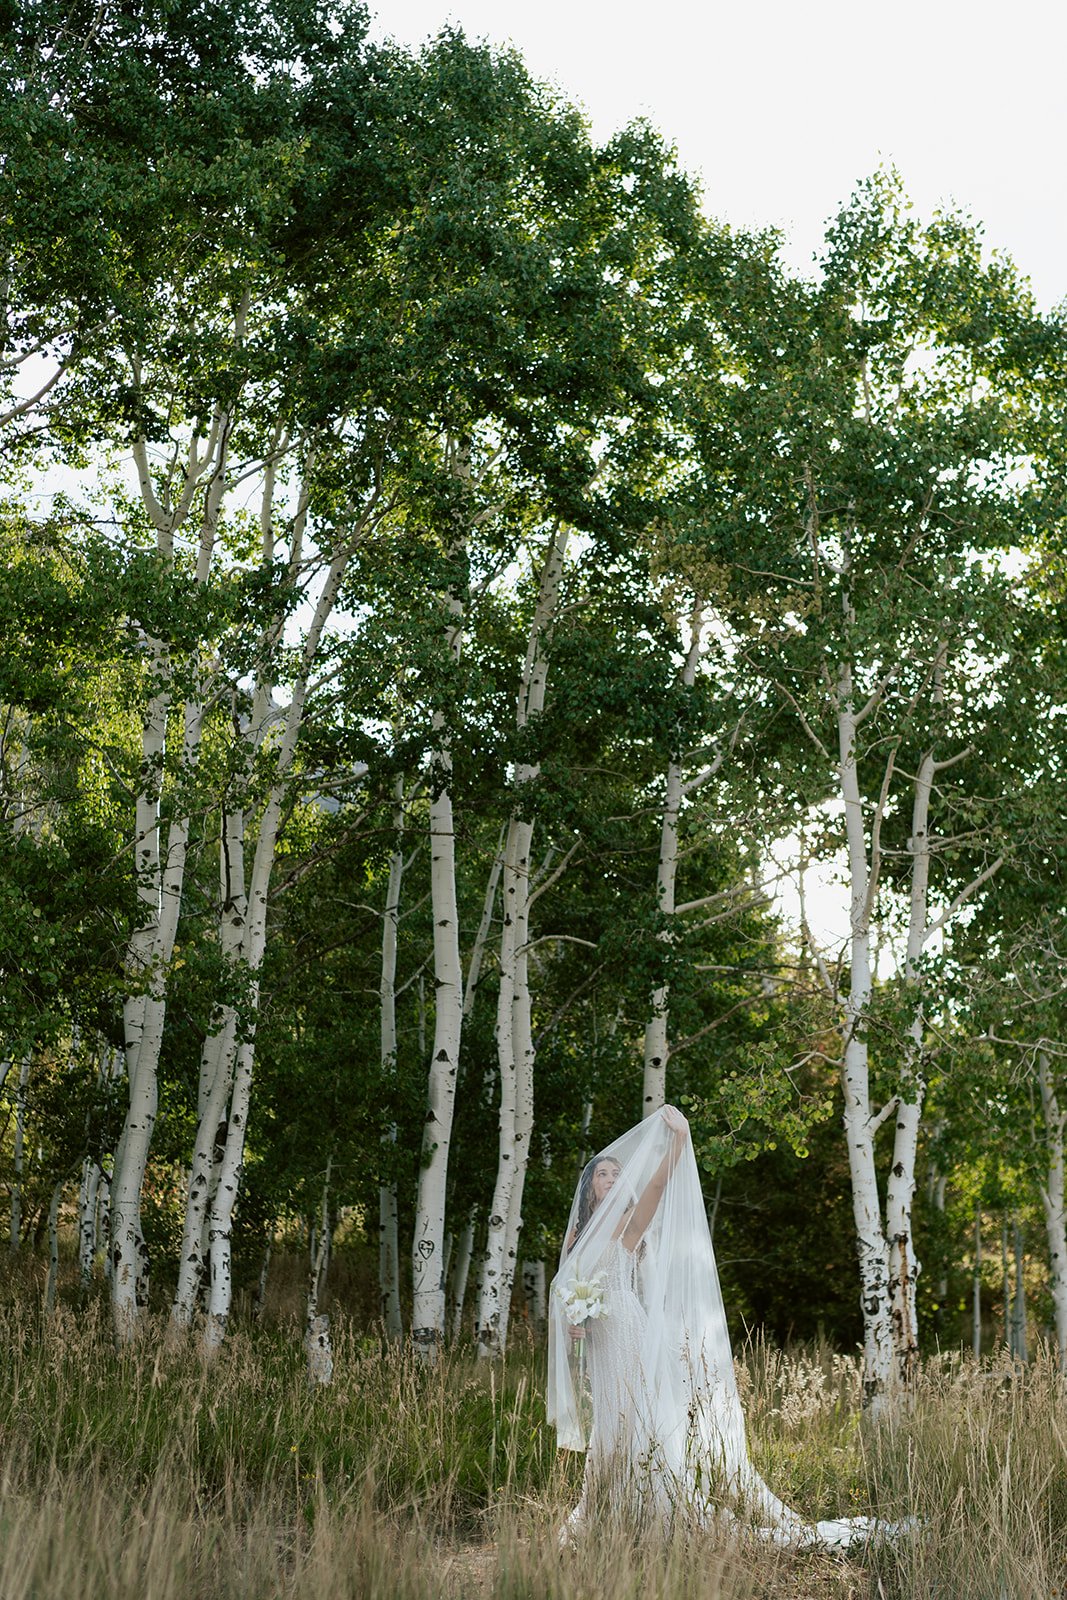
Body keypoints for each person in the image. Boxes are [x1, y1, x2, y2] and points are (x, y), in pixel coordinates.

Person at [547, 1106, 891, 1550]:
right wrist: (577, 1322)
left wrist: (680, 1140)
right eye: (604, 1175)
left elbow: (655, 1185)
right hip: (600, 1341)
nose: (612, 1179)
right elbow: (567, 1291)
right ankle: (602, 1511)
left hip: (629, 1331)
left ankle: (655, 1510)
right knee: (608, 1426)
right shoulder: (577, 1239)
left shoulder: (627, 1230)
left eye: (617, 1173)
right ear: (589, 1188)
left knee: (635, 1418)